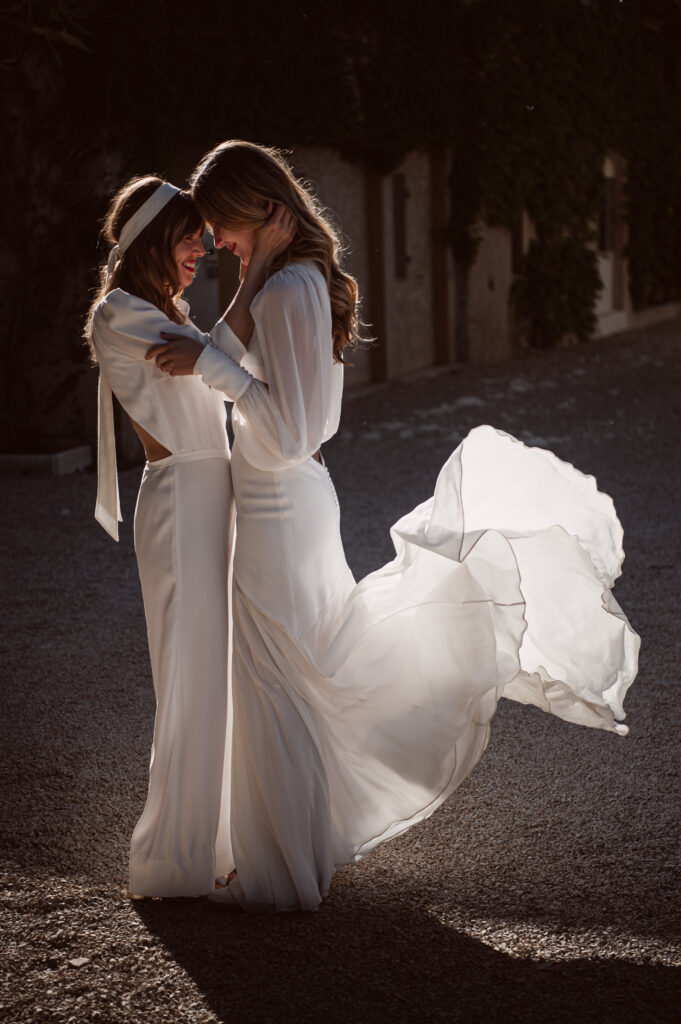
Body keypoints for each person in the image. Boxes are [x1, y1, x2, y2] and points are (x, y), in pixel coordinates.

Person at [149, 141, 640, 913]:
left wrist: (215, 368)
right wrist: (245, 285)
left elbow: (291, 428)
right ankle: (279, 849)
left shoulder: (291, 290)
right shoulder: (285, 284)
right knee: (286, 670)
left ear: (260, 207)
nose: (213, 242)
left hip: (280, 500)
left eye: (221, 225)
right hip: (290, 499)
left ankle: (279, 863)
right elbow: (240, 359)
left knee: (279, 674)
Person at [84, 174, 293, 898]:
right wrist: (256, 273)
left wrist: (252, 276)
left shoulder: (157, 312)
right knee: (189, 677)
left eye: (205, 239)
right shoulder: (118, 313)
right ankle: (174, 856)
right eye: (188, 237)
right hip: (181, 506)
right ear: (152, 240)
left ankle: (218, 844)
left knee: (223, 674)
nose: (201, 251)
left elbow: (216, 359)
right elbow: (220, 358)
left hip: (215, 498)